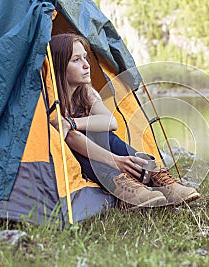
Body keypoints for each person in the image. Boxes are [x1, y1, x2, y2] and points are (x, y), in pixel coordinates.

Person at [49, 33, 200, 208]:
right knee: (79, 136)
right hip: (74, 159)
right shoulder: (50, 100)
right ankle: (122, 187)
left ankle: (156, 177)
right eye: (76, 60)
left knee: (101, 132)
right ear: (59, 67)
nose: (86, 65)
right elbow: (71, 138)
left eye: (85, 58)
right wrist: (116, 161)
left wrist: (72, 123)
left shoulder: (86, 93)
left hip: (95, 149)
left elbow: (111, 122)